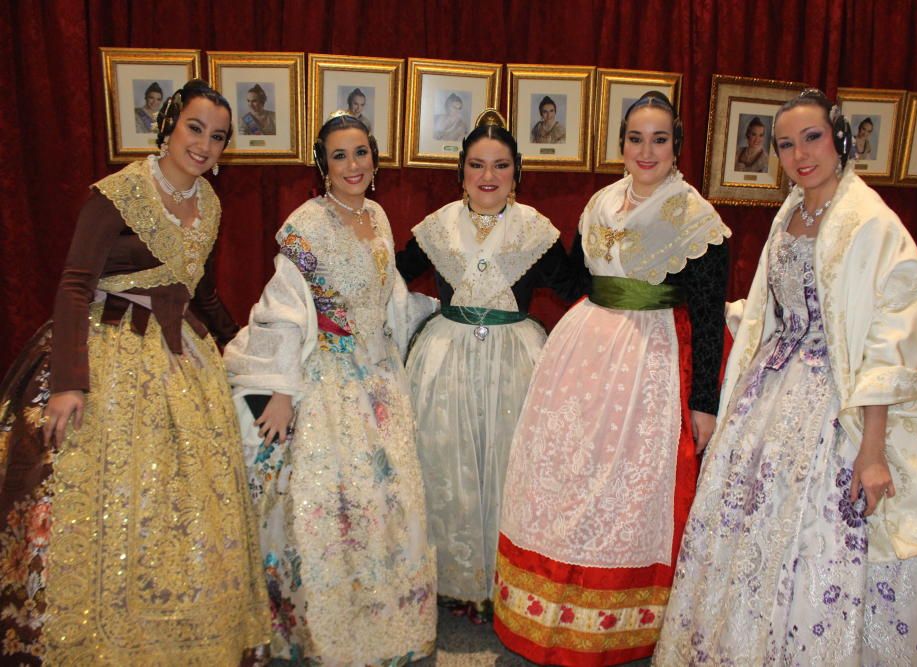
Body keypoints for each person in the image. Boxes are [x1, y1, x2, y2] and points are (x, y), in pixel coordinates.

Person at [653, 89, 917, 666]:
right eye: (786, 145)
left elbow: (888, 340)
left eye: (810, 138)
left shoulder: (870, 222)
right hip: (776, 388)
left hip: (846, 397)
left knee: (834, 538)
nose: (798, 154)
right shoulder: (792, 210)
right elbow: (774, 306)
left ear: (838, 138)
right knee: (752, 527)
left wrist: (872, 450)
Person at [0, 79, 269, 665]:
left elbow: (202, 290)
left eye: (217, 136)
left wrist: (243, 343)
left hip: (183, 357)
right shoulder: (117, 193)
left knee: (193, 499)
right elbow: (74, 284)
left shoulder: (211, 204)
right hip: (107, 346)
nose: (204, 144)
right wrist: (71, 380)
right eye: (195, 128)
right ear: (170, 125)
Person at [494, 91, 731, 666]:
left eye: (659, 139)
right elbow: (579, 278)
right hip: (582, 355)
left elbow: (707, 315)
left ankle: (616, 624)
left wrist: (703, 402)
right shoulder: (602, 201)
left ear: (677, 148)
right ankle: (547, 609)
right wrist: (526, 237)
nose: (645, 151)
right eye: (635, 138)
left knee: (625, 487)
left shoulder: (695, 217)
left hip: (648, 360)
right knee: (568, 473)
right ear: (620, 144)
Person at [224, 111, 438, 664]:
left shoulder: (379, 216)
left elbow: (387, 296)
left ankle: (389, 624)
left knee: (390, 503)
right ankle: (331, 633)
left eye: (361, 153)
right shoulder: (305, 227)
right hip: (330, 378)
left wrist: (435, 320)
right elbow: (285, 309)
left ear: (375, 160)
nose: (353, 165)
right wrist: (279, 389)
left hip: (380, 379)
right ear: (322, 165)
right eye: (340, 155)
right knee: (337, 505)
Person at [396, 109, 582, 624]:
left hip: (515, 362)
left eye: (500, 166)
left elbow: (575, 287)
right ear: (461, 172)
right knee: (445, 462)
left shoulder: (534, 230)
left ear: (517, 173)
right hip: (444, 360)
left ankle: (508, 578)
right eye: (477, 165)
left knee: (510, 465)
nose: (488, 177)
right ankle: (454, 580)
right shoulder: (437, 226)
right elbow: (392, 271)